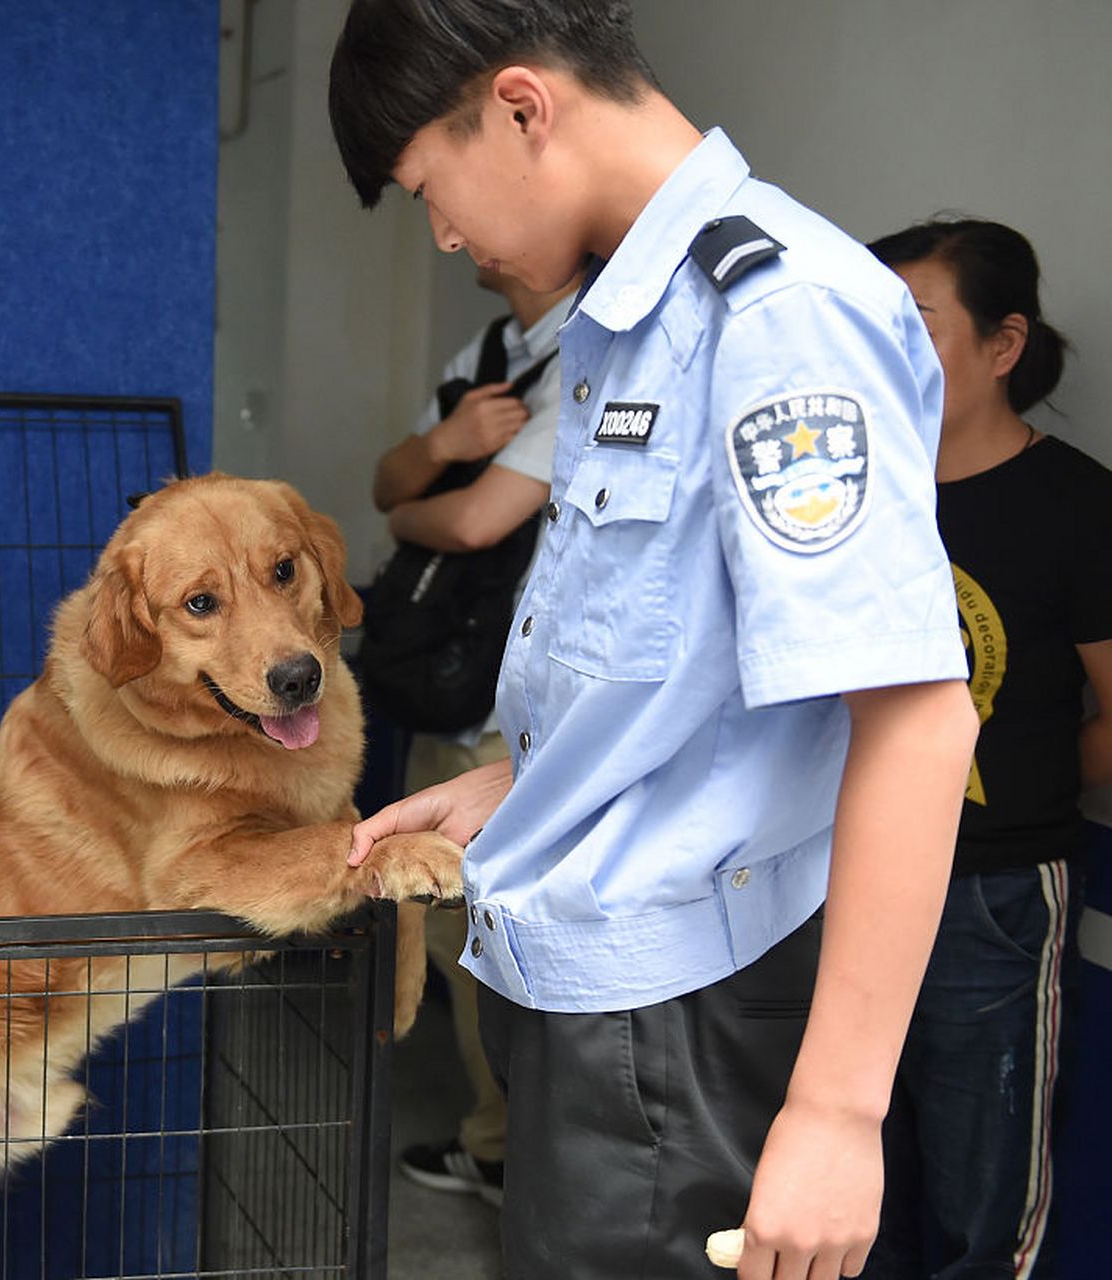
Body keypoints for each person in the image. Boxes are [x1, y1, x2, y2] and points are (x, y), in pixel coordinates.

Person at [329, 3, 980, 1277]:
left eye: (429, 189)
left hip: (678, 1013)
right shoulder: (631, 320)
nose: (446, 232)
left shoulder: (777, 317)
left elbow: (913, 715)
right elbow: (696, 668)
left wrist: (838, 1112)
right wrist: (520, 781)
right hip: (591, 981)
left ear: (520, 108)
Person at [860, 218, 1112, 1279]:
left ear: (1002, 345)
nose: (885, 352)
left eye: (913, 324)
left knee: (980, 1199)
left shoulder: (1075, 504)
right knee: (854, 1186)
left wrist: (1007, 786)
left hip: (994, 892)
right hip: (840, 876)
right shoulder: (852, 493)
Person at [373, 262, 579, 1205]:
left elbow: (471, 520)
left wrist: (410, 514)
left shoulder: (598, 350)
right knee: (456, 944)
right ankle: (498, 1146)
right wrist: (445, 440)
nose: (447, 235)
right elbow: (392, 475)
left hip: (527, 718)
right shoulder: (486, 356)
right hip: (452, 692)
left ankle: (519, 1161)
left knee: (510, 949)